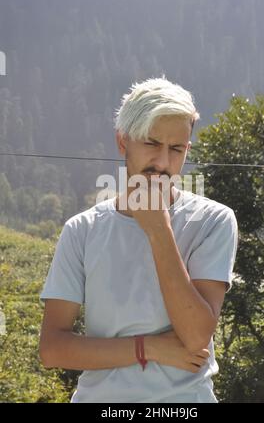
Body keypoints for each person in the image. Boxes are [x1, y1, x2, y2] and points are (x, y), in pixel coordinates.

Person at [39, 75, 238, 403]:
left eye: (176, 149)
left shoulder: (214, 221)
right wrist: (150, 349)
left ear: (187, 149)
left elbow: (195, 335)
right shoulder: (82, 229)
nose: (162, 162)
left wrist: (159, 230)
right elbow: (53, 350)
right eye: (151, 143)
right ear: (123, 142)